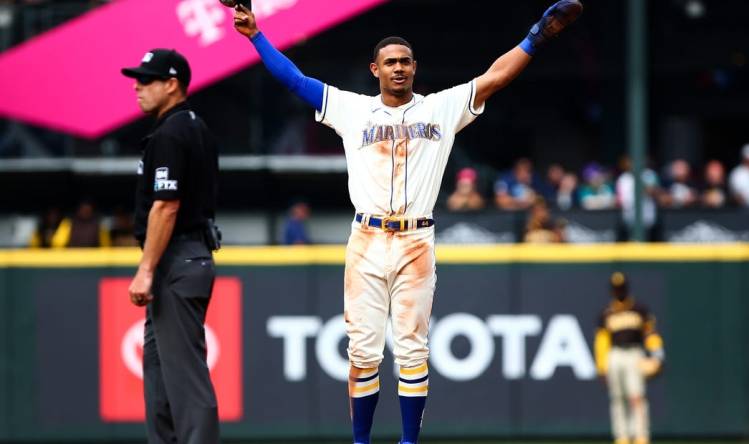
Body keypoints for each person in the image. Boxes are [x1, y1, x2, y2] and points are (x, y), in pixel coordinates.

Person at [232, 2, 583, 443]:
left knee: (413, 349)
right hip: (366, 238)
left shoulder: (440, 108)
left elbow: (495, 77)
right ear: (374, 69)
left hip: (416, 239)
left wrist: (536, 37)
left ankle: (408, 442)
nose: (398, 68)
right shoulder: (351, 109)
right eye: (390, 63)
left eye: (404, 62)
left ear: (415, 68)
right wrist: (255, 36)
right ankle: (361, 441)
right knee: (362, 351)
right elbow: (294, 80)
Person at [122, 48, 221, 444]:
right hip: (184, 257)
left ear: (172, 84)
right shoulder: (194, 127)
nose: (137, 87)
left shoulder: (172, 132)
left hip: (176, 258)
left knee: (185, 379)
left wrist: (146, 269)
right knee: (161, 377)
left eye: (147, 80)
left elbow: (166, 204)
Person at [594, 272, 665, 444]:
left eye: (621, 288)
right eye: (616, 289)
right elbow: (602, 343)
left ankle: (641, 436)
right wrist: (602, 367)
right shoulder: (607, 313)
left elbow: (651, 334)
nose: (619, 292)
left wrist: (657, 356)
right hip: (615, 355)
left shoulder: (639, 309)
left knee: (637, 396)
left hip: (634, 354)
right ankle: (622, 437)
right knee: (617, 397)